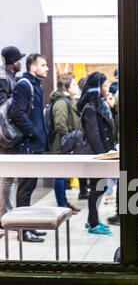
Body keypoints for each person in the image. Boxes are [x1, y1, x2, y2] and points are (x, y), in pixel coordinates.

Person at [9, 53, 50, 243]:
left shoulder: (35, 86)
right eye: (43, 65)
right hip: (28, 145)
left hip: (35, 145)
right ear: (33, 68)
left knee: (30, 187)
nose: (47, 68)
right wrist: (33, 132)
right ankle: (23, 230)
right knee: (25, 189)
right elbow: (16, 113)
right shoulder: (24, 85)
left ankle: (29, 226)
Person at [77, 71, 115, 235]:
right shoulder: (90, 108)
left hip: (103, 154)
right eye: (104, 85)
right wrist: (103, 158)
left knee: (98, 187)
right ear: (96, 87)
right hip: (97, 156)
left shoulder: (99, 104)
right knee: (97, 188)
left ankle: (92, 220)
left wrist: (112, 107)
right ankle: (93, 223)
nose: (107, 88)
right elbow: (94, 137)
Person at [0, 46, 26, 230]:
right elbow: (3, 106)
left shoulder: (9, 78)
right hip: (6, 135)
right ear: (13, 61)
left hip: (8, 134)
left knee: (7, 177)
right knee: (7, 177)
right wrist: (19, 99)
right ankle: (5, 217)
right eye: (19, 59)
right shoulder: (4, 79)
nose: (21, 62)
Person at [50, 75, 81, 214]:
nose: (76, 87)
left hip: (66, 143)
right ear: (66, 87)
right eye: (74, 84)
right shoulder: (62, 102)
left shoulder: (69, 101)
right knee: (59, 174)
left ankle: (64, 201)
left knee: (62, 174)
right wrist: (71, 138)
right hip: (61, 144)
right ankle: (61, 203)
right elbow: (60, 124)